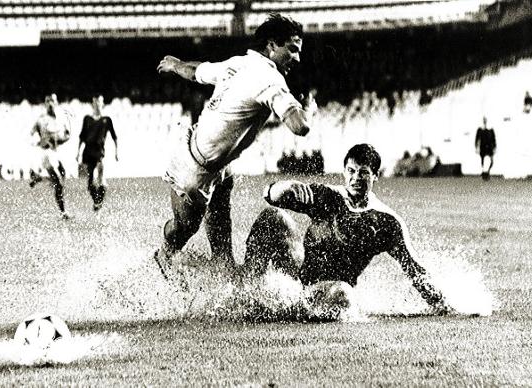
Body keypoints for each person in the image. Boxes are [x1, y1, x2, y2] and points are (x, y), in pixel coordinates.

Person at [154, 13, 314, 280]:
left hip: (218, 164)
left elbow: (198, 71)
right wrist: (306, 109)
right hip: (194, 170)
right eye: (293, 49)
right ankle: (163, 255)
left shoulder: (240, 63)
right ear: (272, 45)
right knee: (182, 229)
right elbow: (300, 127)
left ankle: (223, 267)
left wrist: (175, 64)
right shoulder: (270, 79)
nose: (297, 58)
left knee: (221, 216)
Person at [240, 144, 453, 314]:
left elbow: (415, 269)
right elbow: (270, 195)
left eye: (363, 173)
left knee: (343, 295)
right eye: (351, 171)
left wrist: (445, 306)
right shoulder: (328, 196)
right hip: (299, 278)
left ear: (376, 175)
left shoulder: (386, 222)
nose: (356, 178)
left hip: (332, 291)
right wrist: (284, 186)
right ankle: (245, 293)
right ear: (344, 172)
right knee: (273, 216)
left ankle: (282, 305)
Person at [29, 93, 72, 219]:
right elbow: (29, 136)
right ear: (45, 103)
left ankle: (40, 178)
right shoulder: (41, 120)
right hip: (46, 154)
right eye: (48, 101)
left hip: (55, 153)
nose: (50, 103)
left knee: (62, 176)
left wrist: (65, 137)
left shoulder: (60, 119)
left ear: (56, 102)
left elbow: (62, 137)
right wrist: (38, 141)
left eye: (52, 100)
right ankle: (63, 213)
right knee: (58, 183)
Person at [76, 95, 119, 211]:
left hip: (99, 152)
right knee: (90, 182)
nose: (97, 104)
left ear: (102, 103)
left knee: (101, 178)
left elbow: (114, 136)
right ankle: (96, 202)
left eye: (99, 102)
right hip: (87, 152)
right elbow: (82, 136)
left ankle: (99, 201)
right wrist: (78, 152)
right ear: (92, 104)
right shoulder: (87, 119)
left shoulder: (107, 120)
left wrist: (116, 152)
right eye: (95, 102)